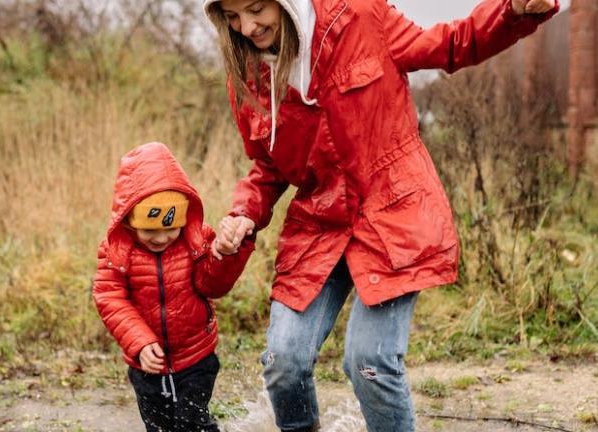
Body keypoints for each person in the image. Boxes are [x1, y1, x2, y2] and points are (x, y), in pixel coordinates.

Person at [202, 0, 559, 431]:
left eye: (256, 9)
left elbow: (450, 45)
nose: (246, 27)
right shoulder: (247, 78)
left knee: (369, 363)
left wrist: (513, 12)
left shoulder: (360, 17)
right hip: (320, 225)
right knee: (283, 363)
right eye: (232, 17)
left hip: (393, 216)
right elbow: (268, 167)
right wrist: (244, 213)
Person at [92, 142, 254, 432]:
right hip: (146, 366)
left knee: (193, 425)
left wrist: (225, 255)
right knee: (160, 428)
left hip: (196, 357)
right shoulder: (117, 252)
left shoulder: (196, 241)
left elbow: (212, 286)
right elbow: (109, 296)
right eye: (150, 229)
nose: (162, 237)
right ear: (129, 220)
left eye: (171, 227)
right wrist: (139, 341)